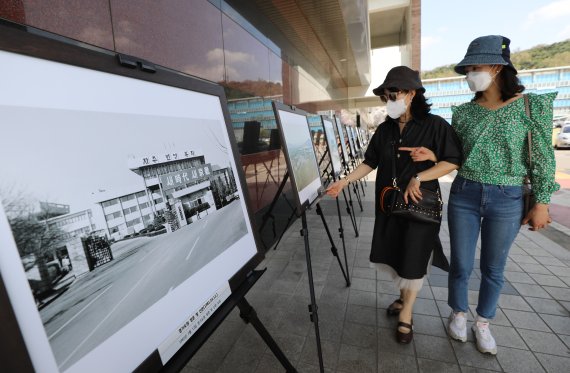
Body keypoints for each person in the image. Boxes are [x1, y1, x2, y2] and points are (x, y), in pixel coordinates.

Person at [326, 66, 462, 344]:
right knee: (396, 254)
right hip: (388, 205)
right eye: (386, 95)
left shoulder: (435, 125)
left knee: (414, 257)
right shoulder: (386, 129)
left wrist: (421, 174)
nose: (389, 99)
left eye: (394, 93)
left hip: (418, 206)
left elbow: (452, 161)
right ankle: (402, 300)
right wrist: (344, 181)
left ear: (412, 94)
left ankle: (406, 315)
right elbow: (369, 162)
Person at [443, 35, 559, 355]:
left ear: (496, 67)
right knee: (461, 264)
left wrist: (542, 201)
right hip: (464, 191)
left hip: (507, 196)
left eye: (474, 68)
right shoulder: (464, 112)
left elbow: (543, 157)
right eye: (467, 70)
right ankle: (457, 313)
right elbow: (453, 156)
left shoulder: (529, 105)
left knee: (494, 267)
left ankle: (483, 322)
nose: (469, 75)